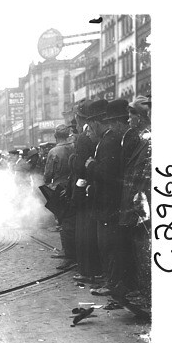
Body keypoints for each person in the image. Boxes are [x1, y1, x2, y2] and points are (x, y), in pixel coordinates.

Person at [84, 99, 125, 297]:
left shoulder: (108, 141)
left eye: (90, 124)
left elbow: (108, 174)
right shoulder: (107, 140)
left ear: (96, 123)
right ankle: (111, 280)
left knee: (109, 245)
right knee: (107, 245)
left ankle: (113, 283)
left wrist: (91, 165)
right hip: (105, 202)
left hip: (108, 203)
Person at [117, 96, 152, 303]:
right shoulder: (140, 138)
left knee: (144, 248)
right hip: (137, 202)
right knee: (138, 248)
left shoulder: (148, 139)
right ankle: (143, 291)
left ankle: (147, 295)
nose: (129, 119)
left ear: (140, 117)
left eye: (132, 115)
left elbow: (146, 175)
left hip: (144, 205)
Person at [69, 100, 101, 284]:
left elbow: (80, 167)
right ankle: (93, 269)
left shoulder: (82, 137)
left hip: (84, 189)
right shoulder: (91, 134)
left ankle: (87, 270)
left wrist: (77, 194)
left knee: (84, 231)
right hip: (93, 186)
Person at [44, 124, 76, 268]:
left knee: (63, 222)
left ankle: (68, 254)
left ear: (56, 136)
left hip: (60, 188)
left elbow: (48, 174)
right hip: (74, 186)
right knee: (73, 221)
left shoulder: (54, 151)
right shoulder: (74, 147)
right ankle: (73, 253)